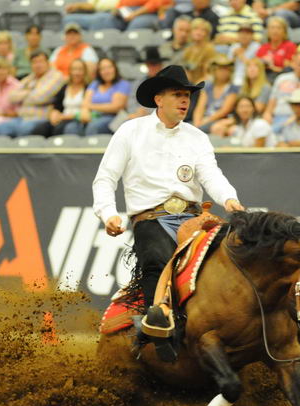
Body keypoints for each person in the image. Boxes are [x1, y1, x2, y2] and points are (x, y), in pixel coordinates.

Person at [92, 64, 243, 334]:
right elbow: (105, 178)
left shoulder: (197, 137)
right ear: (158, 99)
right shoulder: (130, 131)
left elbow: (211, 175)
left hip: (196, 220)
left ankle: (238, 327)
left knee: (233, 258)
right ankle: (155, 325)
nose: (185, 100)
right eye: (177, 94)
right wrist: (108, 214)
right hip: (151, 218)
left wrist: (229, 198)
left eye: (187, 95)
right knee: (155, 259)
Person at [0, 51, 65, 137]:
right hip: (21, 117)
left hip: (40, 118)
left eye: (40, 61)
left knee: (24, 129)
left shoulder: (56, 76)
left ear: (48, 63)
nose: (37, 65)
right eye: (34, 62)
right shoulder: (30, 78)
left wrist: (24, 95)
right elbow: (11, 96)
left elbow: (40, 97)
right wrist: (30, 92)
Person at [263, 51, 300, 132]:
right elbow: (273, 100)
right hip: (278, 116)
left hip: (299, 119)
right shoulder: (282, 78)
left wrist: (297, 117)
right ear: (293, 63)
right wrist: (267, 114)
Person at [80, 57, 130, 135]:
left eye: (109, 67)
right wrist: (85, 111)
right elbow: (85, 102)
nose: (106, 71)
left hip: (114, 117)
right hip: (92, 115)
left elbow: (115, 107)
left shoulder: (122, 84)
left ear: (115, 69)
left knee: (93, 126)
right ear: (99, 72)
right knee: (73, 126)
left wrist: (90, 106)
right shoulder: (95, 83)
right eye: (103, 68)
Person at [192, 55, 239, 133]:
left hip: (220, 119)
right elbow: (200, 108)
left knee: (202, 129)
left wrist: (207, 120)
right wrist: (196, 123)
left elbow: (225, 110)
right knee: (188, 128)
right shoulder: (207, 86)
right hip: (204, 118)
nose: (223, 72)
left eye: (226, 69)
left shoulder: (233, 88)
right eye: (220, 69)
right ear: (214, 70)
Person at [48, 58, 89, 136]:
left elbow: (87, 113)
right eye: (74, 69)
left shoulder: (89, 88)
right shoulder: (64, 87)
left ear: (85, 72)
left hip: (79, 121)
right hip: (62, 119)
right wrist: (53, 113)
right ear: (70, 71)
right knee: (46, 127)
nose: (77, 73)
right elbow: (56, 105)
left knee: (70, 128)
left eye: (80, 69)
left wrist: (64, 117)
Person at [127, 46, 166, 119]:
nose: (152, 67)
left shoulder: (167, 83)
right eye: (150, 64)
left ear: (161, 65)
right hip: (138, 115)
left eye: (155, 64)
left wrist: (147, 111)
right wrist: (136, 111)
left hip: (160, 117)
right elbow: (131, 100)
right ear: (147, 65)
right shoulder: (138, 82)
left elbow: (168, 104)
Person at [89, 0, 170, 31]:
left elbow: (155, 3)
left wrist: (135, 14)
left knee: (137, 23)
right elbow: (124, 2)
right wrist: (117, 9)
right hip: (129, 12)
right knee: (104, 20)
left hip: (151, 13)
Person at [180, 18, 216, 84]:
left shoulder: (209, 49)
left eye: (203, 30)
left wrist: (196, 86)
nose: (198, 32)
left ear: (207, 34)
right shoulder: (188, 49)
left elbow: (208, 75)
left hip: (202, 84)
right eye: (196, 29)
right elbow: (185, 70)